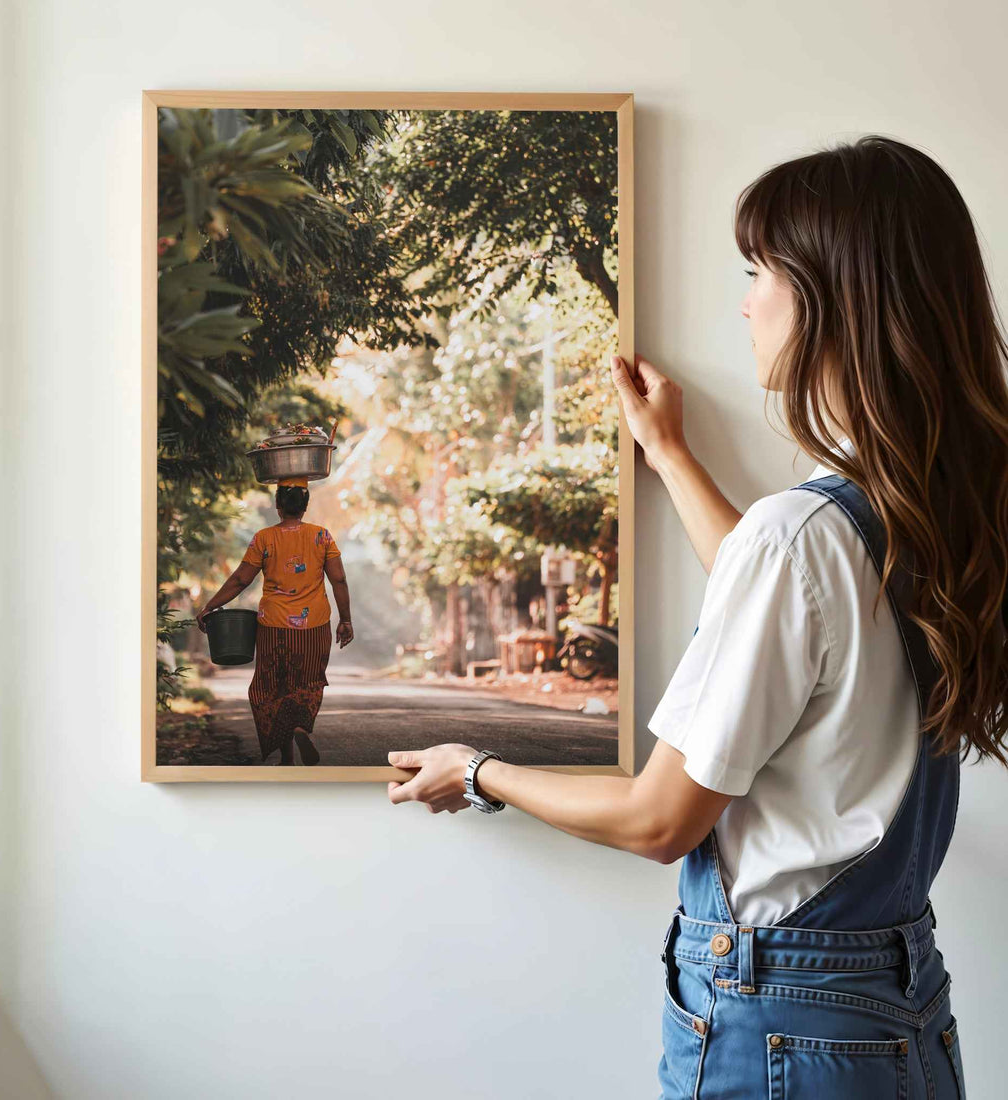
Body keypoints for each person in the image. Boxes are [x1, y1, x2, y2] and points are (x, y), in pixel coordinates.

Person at [385, 135, 1008, 1096]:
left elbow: (657, 820)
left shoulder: (803, 536)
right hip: (898, 1014)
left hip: (782, 1028)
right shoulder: (933, 512)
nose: (746, 302)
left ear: (833, 299)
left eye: (760, 272)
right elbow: (793, 620)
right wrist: (671, 455)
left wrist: (476, 770)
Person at [196, 476, 354, 765]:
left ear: (278, 506)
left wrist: (211, 605)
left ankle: (287, 757)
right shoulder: (322, 537)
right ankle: (300, 727)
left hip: (273, 627)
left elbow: (241, 579)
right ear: (305, 507)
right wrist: (346, 620)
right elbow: (339, 580)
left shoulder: (264, 538)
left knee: (271, 690)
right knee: (308, 683)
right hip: (314, 626)